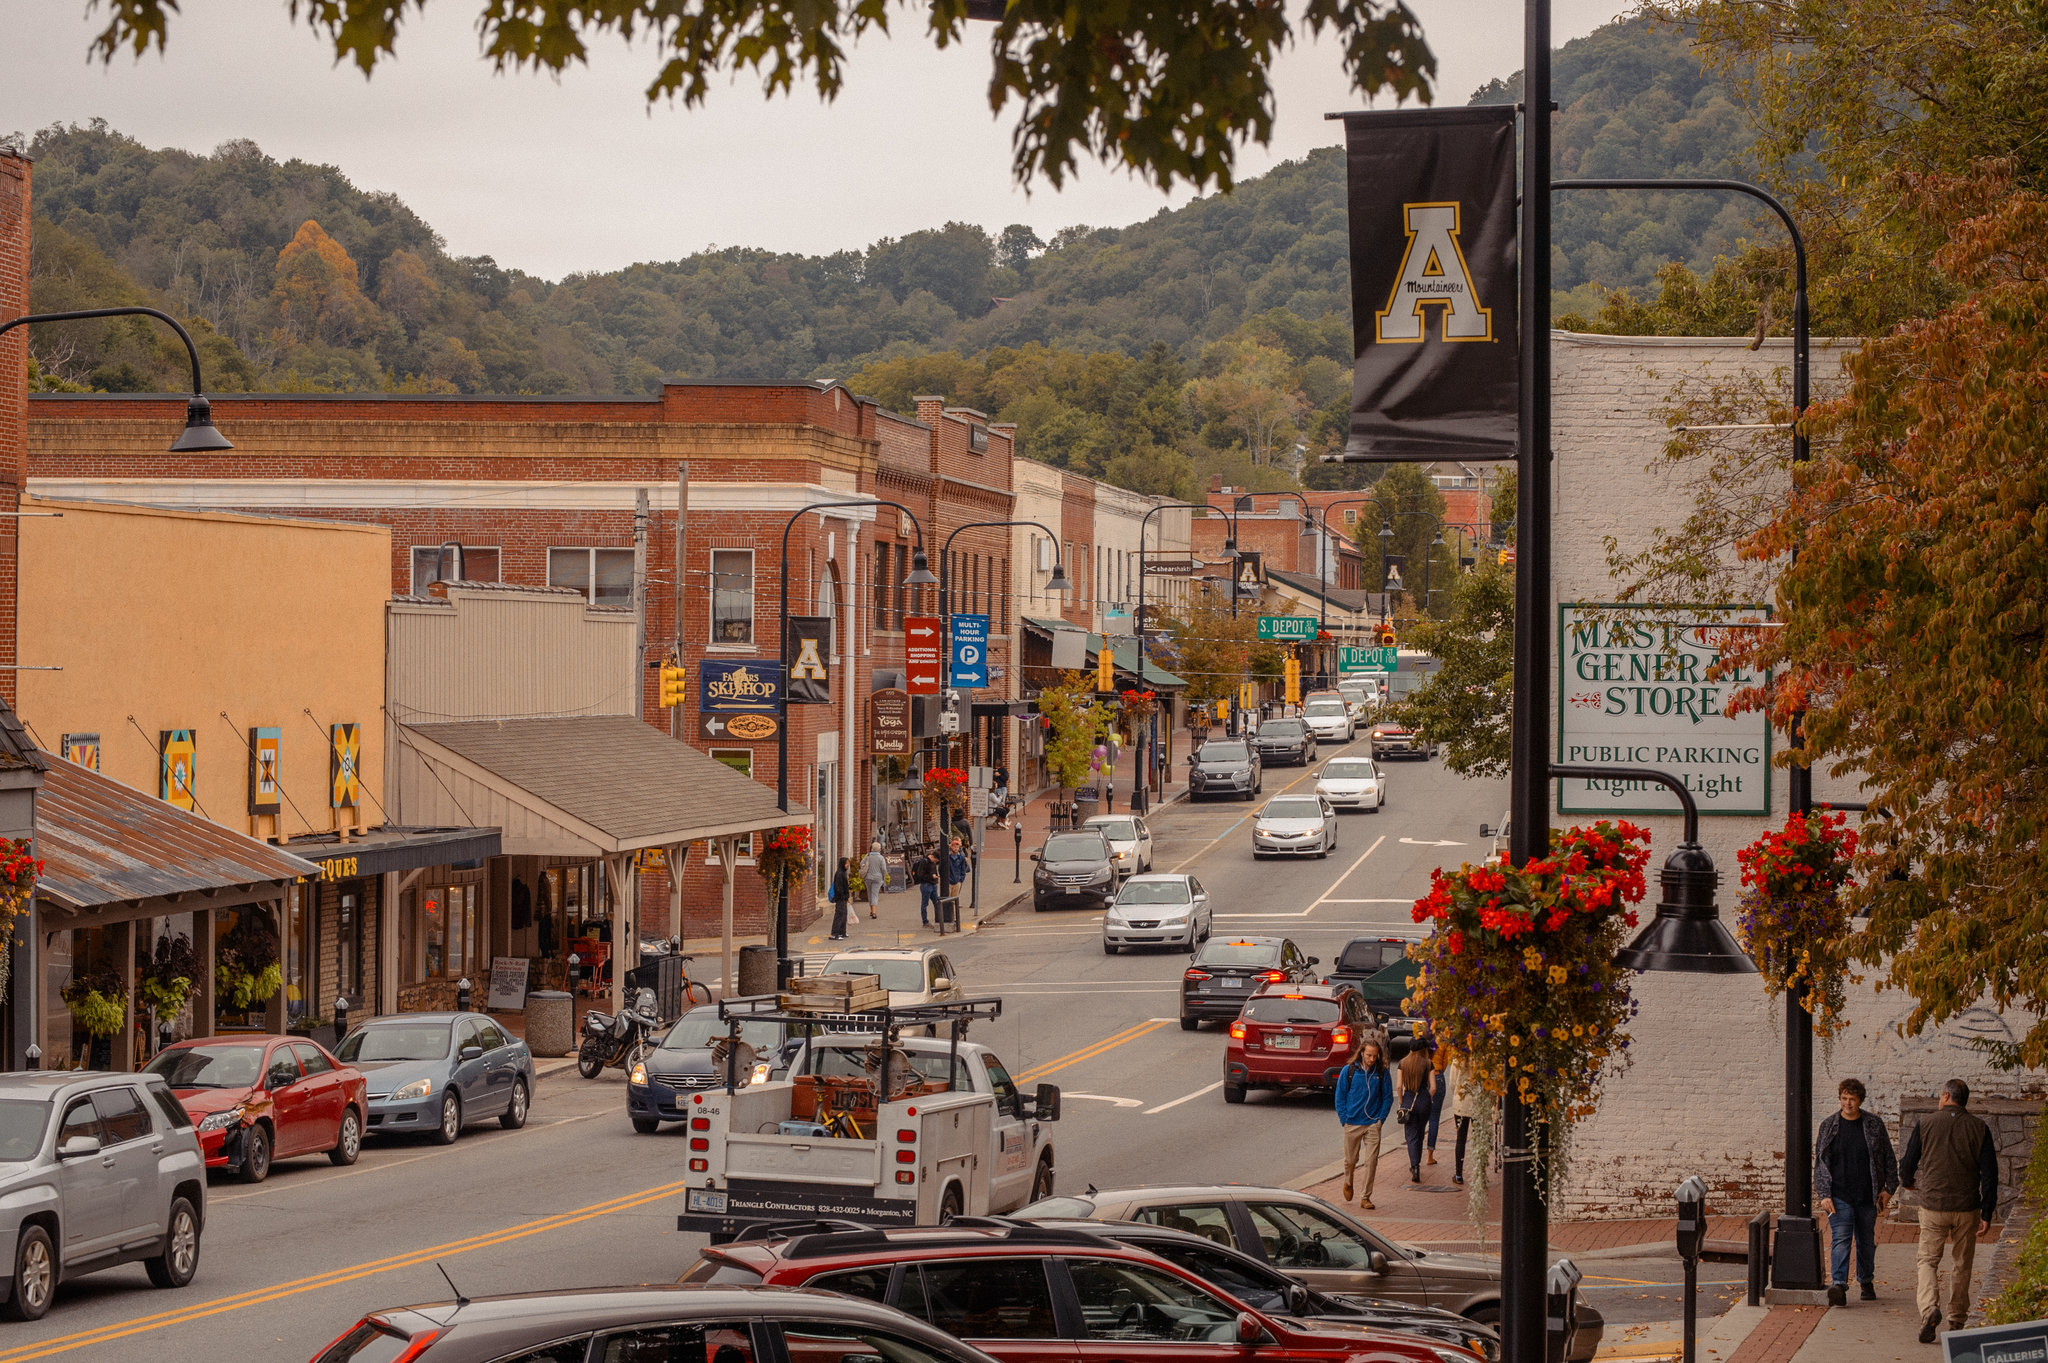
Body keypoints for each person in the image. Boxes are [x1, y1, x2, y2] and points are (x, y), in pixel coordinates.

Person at [1901, 1078, 1999, 1341]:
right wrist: (1987, 1213)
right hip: (1967, 1207)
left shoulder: (1926, 1124)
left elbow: (1908, 1161)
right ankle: (1957, 1318)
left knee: (1928, 1260)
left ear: (1945, 1096)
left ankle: (1929, 1308)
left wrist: (1907, 1181)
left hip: (1933, 1205)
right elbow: (1990, 1175)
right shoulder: (1979, 1128)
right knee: (1962, 1263)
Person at [1816, 1077, 1899, 1306]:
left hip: (1867, 1194)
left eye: (1852, 1099)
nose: (1848, 1104)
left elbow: (1888, 1158)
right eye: (1844, 1099)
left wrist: (1890, 1188)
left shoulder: (1873, 1125)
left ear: (1860, 1100)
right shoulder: (1829, 1126)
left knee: (1865, 1241)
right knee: (1841, 1240)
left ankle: (1866, 1281)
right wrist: (1824, 1194)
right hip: (1839, 1195)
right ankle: (1839, 1285)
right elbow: (1821, 1162)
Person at [1334, 1038, 1393, 1210]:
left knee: (1371, 1161)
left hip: (1372, 1123)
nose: (1372, 1059)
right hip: (1352, 1122)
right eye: (1368, 1055)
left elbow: (1387, 1097)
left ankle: (1365, 1197)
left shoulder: (1382, 1073)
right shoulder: (1349, 1071)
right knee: (1351, 1160)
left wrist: (1380, 1120)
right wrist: (1344, 1119)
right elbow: (1340, 1096)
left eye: (1375, 1056)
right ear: (1361, 1053)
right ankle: (1348, 1180)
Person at [1396, 1034, 1435, 1183]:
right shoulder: (1428, 1063)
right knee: (1420, 1133)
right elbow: (1433, 1087)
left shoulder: (1403, 1063)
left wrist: (1402, 1102)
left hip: (1409, 1100)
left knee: (1411, 1135)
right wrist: (1428, 1098)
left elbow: (1399, 1086)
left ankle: (1415, 1166)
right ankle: (1417, 1161)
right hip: (1424, 1099)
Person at [1447, 1058, 1478, 1185]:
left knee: (1461, 1138)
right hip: (1478, 1102)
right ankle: (1478, 1173)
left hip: (1461, 1101)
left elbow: (1452, 1083)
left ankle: (1459, 1173)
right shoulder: (1483, 1058)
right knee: (1478, 1138)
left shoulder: (1458, 1059)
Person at [1425, 1044, 1450, 1166]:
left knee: (1420, 1119)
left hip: (1423, 1076)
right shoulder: (1442, 1041)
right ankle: (1430, 1156)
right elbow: (1445, 1061)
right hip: (1437, 1075)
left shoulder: (1422, 1037)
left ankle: (1415, 1155)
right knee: (1434, 1119)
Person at [910, 843, 939, 927]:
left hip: (933, 884)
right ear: (933, 857)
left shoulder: (932, 863)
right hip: (926, 885)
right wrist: (931, 876)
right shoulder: (924, 862)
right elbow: (920, 875)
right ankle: (925, 921)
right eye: (936, 861)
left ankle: (937, 919)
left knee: (936, 903)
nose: (935, 862)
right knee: (925, 904)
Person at [860, 843, 889, 920]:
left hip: (868, 877)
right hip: (878, 878)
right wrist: (883, 877)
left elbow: (861, 864)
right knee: (875, 894)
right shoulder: (881, 858)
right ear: (879, 849)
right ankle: (874, 912)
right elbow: (884, 869)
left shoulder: (868, 855)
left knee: (870, 894)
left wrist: (866, 867)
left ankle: (871, 910)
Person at [827, 857, 851, 940]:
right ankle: (835, 934)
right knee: (839, 915)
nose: (848, 865)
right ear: (843, 864)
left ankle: (842, 932)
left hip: (843, 898)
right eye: (846, 863)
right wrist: (843, 896)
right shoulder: (840, 874)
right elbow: (839, 887)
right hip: (840, 898)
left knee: (844, 915)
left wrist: (847, 896)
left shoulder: (843, 873)